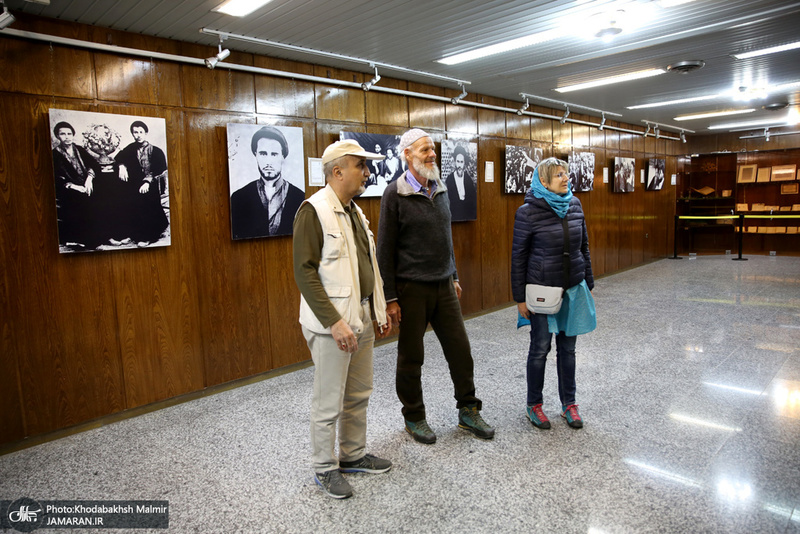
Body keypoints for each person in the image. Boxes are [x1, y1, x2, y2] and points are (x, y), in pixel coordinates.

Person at [377, 128, 494, 444]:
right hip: (411, 289)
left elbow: (446, 238)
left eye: (432, 149)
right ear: (407, 155)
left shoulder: (440, 187)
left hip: (444, 286)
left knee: (460, 351)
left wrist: (453, 275)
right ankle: (414, 416)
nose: (431, 155)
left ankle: (468, 410)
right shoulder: (394, 194)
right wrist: (389, 298)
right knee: (411, 356)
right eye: (424, 150)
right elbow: (384, 250)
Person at [293, 139, 392, 499]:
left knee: (359, 393)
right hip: (332, 324)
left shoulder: (354, 211)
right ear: (337, 172)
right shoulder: (313, 210)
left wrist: (377, 309)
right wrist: (334, 322)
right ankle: (324, 467)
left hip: (361, 316)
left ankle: (352, 455)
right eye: (360, 166)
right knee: (328, 400)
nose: (366, 173)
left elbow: (367, 267)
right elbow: (304, 273)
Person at [511, 157, 596, 430]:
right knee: (540, 349)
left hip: (572, 288)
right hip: (541, 292)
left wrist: (588, 283)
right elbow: (518, 258)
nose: (566, 178)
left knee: (568, 350)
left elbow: (584, 246)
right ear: (544, 182)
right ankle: (534, 405)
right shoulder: (527, 212)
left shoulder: (575, 204)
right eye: (559, 175)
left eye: (566, 173)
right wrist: (519, 298)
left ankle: (568, 404)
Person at [230, 126, 305, 239]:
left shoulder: (299, 198)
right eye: (263, 154)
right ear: (256, 155)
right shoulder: (239, 198)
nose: (268, 162)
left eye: (274, 154)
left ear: (283, 157)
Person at [114, 120, 169, 246]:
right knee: (127, 201)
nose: (138, 135)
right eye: (135, 132)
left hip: (152, 184)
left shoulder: (156, 151)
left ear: (146, 133)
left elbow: (160, 169)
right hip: (134, 185)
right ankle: (133, 234)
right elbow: (119, 158)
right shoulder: (130, 149)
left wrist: (147, 182)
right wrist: (122, 166)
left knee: (146, 201)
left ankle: (148, 236)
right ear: (132, 134)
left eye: (140, 132)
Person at [51, 121, 101, 248]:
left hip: (85, 183)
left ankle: (105, 235)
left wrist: (89, 178)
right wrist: (74, 186)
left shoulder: (79, 149)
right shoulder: (54, 154)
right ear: (57, 136)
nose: (67, 137)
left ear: (73, 135)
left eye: (69, 133)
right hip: (68, 187)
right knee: (79, 200)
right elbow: (55, 177)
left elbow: (94, 164)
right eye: (63, 134)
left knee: (103, 193)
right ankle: (84, 240)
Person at [444, 145, 477, 221]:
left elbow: (473, 202)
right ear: (455, 162)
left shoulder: (468, 180)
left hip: (467, 218)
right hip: (454, 218)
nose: (459, 165)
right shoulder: (449, 180)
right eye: (458, 161)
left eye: (461, 162)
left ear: (464, 163)